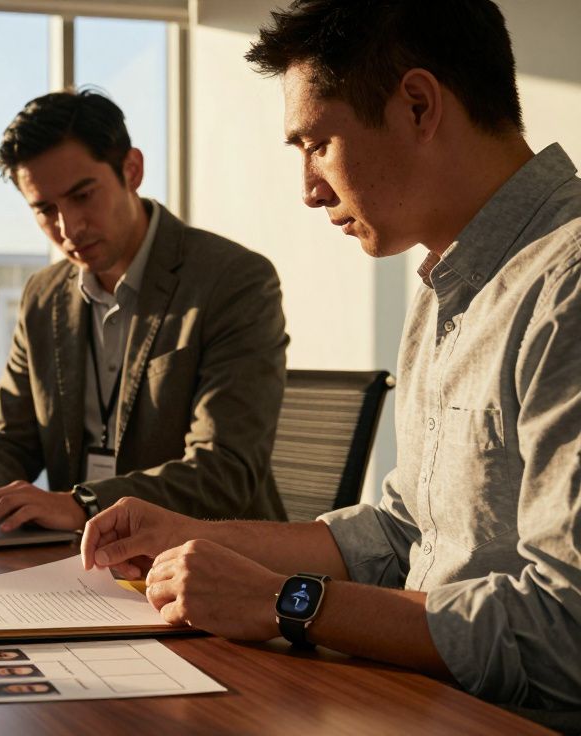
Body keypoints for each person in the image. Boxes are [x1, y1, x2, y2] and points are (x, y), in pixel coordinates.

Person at [80, 0, 581, 725]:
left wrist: (285, 602)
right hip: (416, 698)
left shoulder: (565, 289)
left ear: (417, 104)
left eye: (317, 144)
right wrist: (193, 535)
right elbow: (401, 536)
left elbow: (566, 637)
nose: (309, 189)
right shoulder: (448, 283)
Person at [0, 89, 290, 533]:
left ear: (132, 170)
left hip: (212, 561)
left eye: (82, 196)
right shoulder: (43, 295)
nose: (68, 229)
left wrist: (84, 504)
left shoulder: (233, 281)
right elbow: (13, 434)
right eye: (45, 210)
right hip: (83, 561)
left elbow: (225, 469)